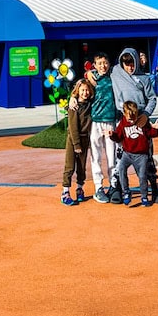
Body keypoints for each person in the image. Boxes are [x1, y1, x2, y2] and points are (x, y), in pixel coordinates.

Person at [111, 47, 158, 203]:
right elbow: (99, 71)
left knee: (147, 155)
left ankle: (154, 188)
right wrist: (89, 73)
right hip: (123, 120)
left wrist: (146, 115)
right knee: (120, 155)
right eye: (126, 62)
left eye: (131, 62)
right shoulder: (115, 73)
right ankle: (118, 188)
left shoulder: (144, 79)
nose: (129, 66)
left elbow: (152, 99)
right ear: (121, 62)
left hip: (141, 119)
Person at [72, 52, 117, 204]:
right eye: (99, 63)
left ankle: (114, 185)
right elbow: (80, 87)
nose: (103, 66)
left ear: (109, 63)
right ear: (95, 65)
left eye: (105, 62)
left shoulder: (113, 77)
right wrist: (72, 98)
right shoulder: (92, 79)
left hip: (110, 121)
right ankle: (99, 187)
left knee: (112, 156)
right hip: (96, 122)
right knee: (96, 156)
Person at [110, 101, 158, 206]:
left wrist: (155, 129)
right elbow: (118, 137)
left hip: (141, 155)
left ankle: (144, 197)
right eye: (129, 118)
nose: (131, 120)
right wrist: (112, 134)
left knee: (142, 175)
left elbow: (150, 133)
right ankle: (126, 193)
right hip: (127, 154)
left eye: (134, 117)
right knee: (121, 169)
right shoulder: (122, 124)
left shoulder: (142, 122)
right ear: (124, 114)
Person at [61, 78, 93, 206]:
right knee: (70, 166)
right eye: (82, 90)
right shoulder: (74, 106)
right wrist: (76, 144)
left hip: (85, 139)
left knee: (81, 167)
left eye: (87, 90)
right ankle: (65, 192)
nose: (85, 92)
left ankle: (80, 188)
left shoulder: (90, 104)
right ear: (77, 91)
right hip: (74, 140)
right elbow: (73, 127)